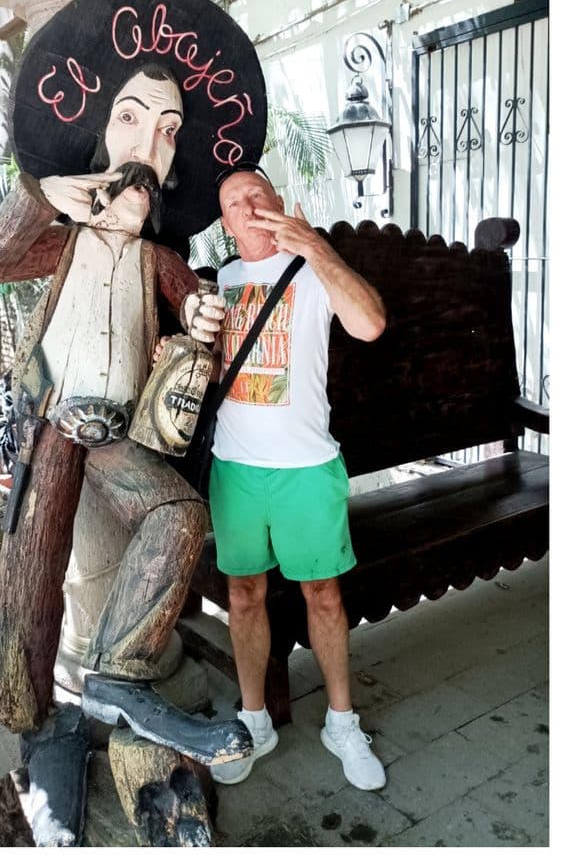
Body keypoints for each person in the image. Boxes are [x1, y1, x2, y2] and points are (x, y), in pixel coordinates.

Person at [0, 0, 267, 778]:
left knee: (177, 517)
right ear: (100, 131)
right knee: (32, 574)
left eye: (168, 130)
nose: (149, 143)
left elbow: (201, 305)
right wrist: (44, 194)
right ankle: (32, 717)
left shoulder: (161, 260)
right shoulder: (59, 242)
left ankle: (118, 675)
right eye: (133, 118)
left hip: (118, 433)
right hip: (49, 419)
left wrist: (203, 318)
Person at [208, 168, 387, 791]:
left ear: (280, 203)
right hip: (236, 470)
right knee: (243, 595)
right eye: (234, 203)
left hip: (306, 468)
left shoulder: (314, 270)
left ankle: (342, 720)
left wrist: (313, 244)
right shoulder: (222, 283)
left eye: (258, 195)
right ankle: (254, 720)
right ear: (224, 223)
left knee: (325, 596)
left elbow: (369, 324)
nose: (249, 207)